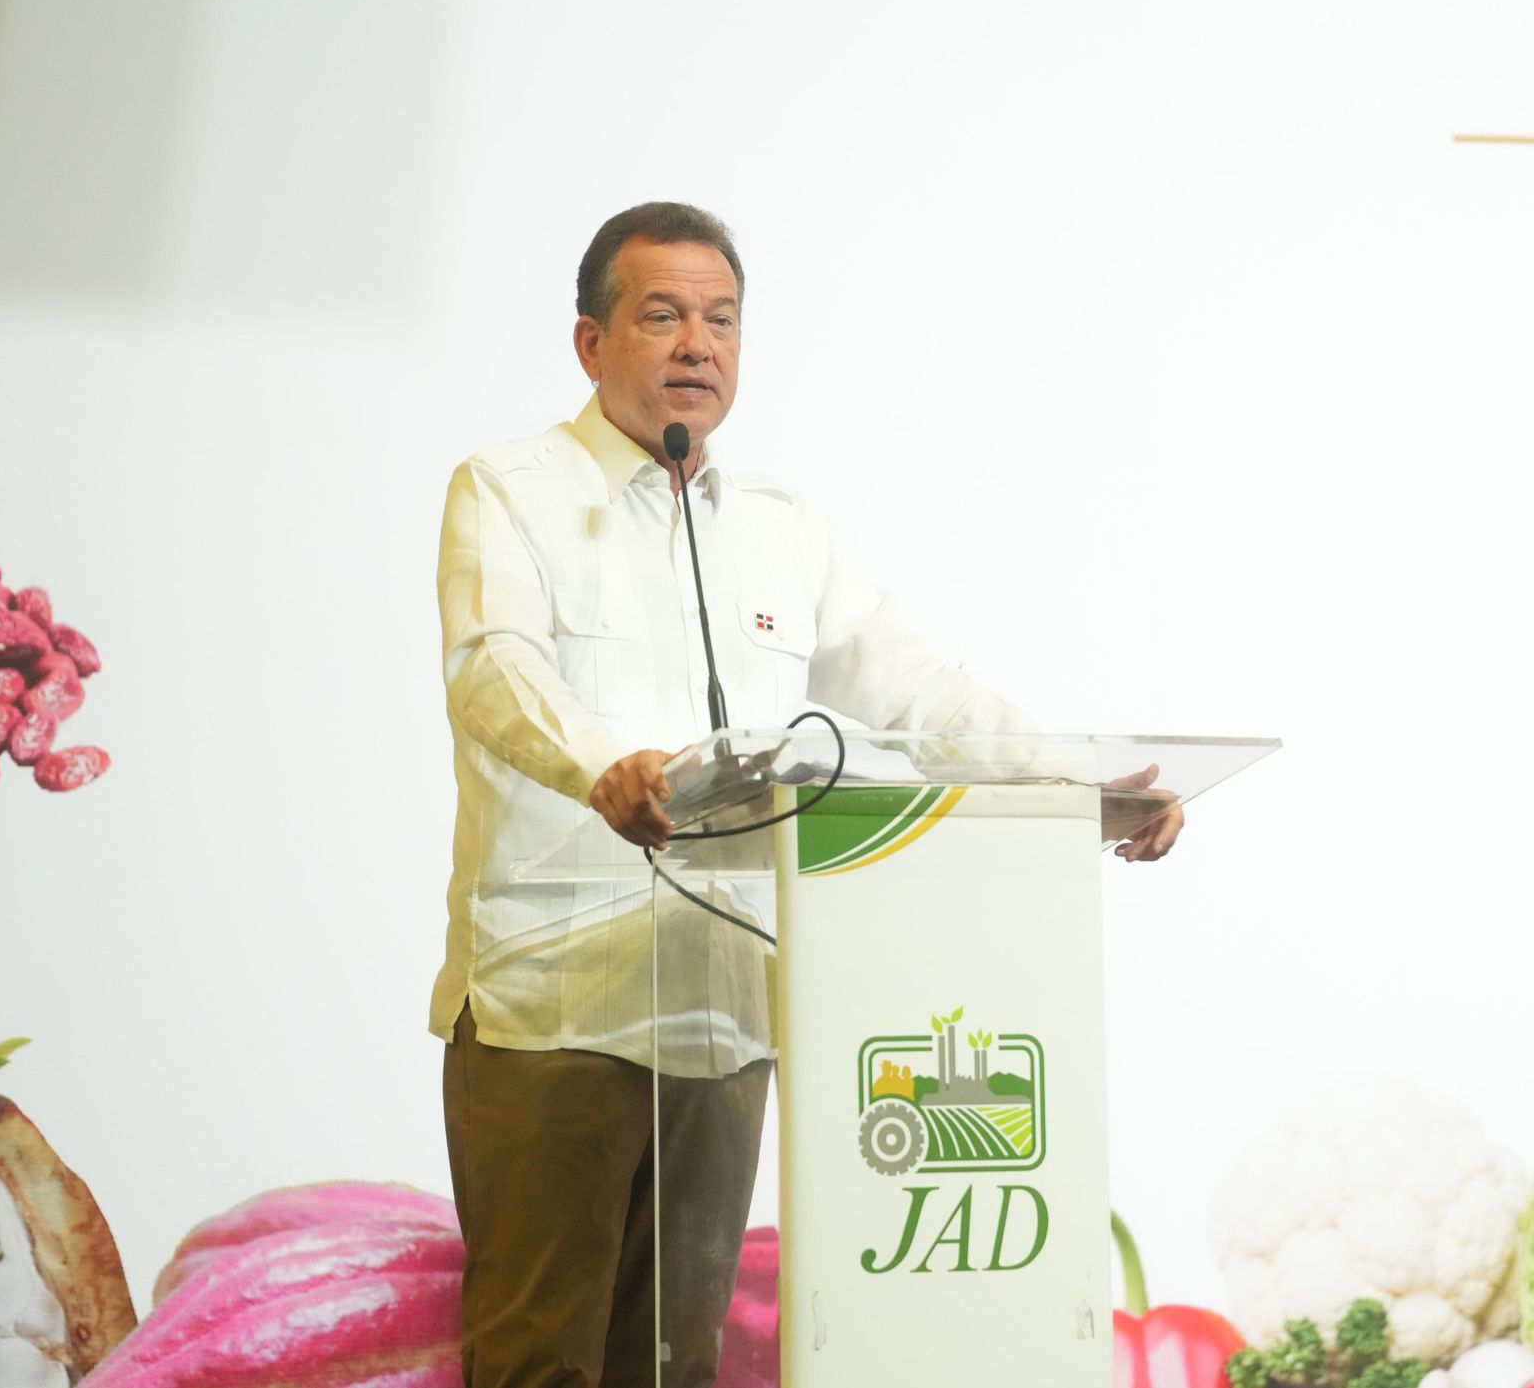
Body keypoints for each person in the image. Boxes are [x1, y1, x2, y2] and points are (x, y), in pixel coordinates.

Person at [433, 201, 1182, 1388]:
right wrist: (599, 769)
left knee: (677, 1368)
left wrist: (1076, 778)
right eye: (663, 315)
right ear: (590, 342)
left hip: (724, 1012)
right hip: (558, 1008)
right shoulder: (511, 489)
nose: (698, 344)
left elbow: (918, 685)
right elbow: (494, 668)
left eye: (722, 321)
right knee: (541, 1365)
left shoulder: (780, 531)